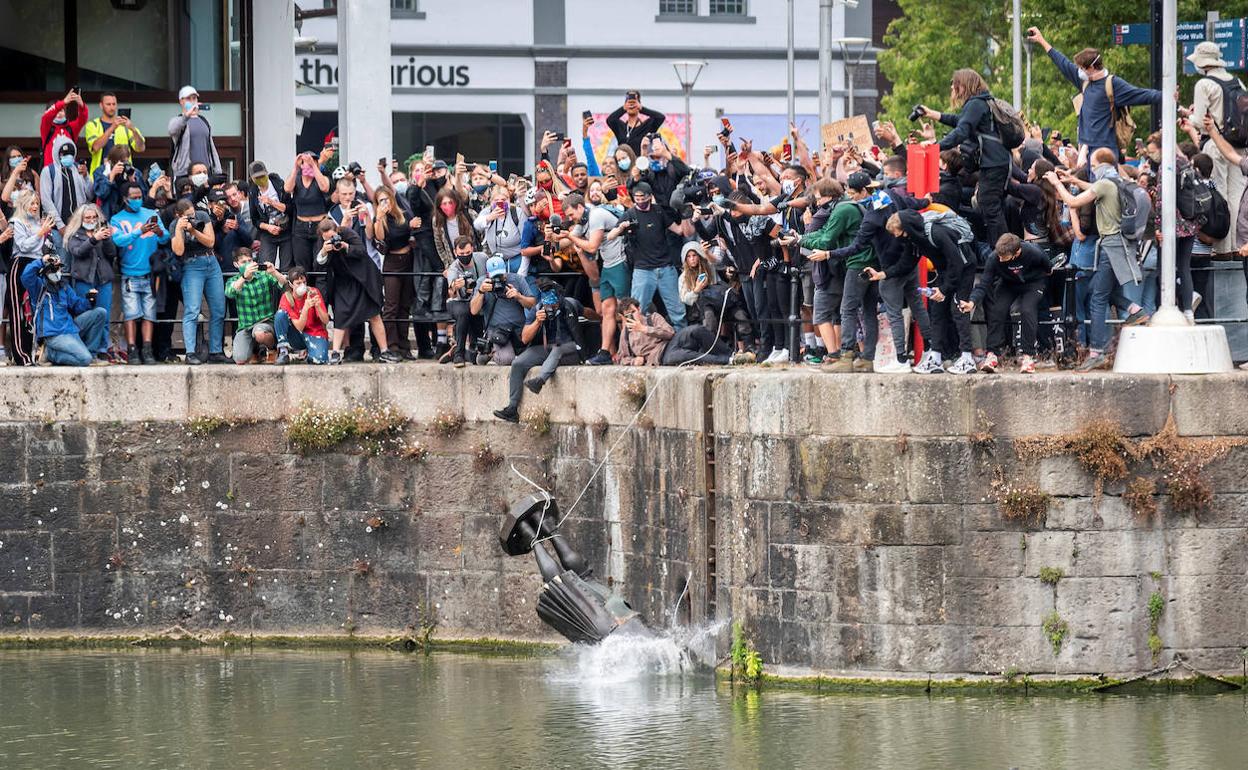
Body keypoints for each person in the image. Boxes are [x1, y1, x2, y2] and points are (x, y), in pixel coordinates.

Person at [1045, 149, 1149, 371]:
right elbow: (1093, 189)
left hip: (1110, 247)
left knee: (1098, 298)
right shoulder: (1115, 181)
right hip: (1119, 244)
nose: (1091, 169)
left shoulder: (1103, 184)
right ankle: (1133, 310)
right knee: (1096, 287)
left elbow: (1072, 200)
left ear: (1101, 164)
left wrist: (1056, 183)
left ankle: (1096, 352)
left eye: (1093, 165)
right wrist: (1073, 179)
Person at [1028, 28, 1160, 160]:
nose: (1079, 71)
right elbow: (1063, 63)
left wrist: (1168, 96)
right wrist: (1041, 41)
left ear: (1091, 68)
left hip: (1105, 151)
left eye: (1081, 68)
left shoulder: (1112, 84)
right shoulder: (1085, 82)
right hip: (1087, 152)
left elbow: (1141, 95)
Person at [873, 210, 978, 374]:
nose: (896, 237)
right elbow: (907, 263)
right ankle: (935, 357)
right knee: (937, 311)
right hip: (944, 271)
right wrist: (883, 274)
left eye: (898, 233)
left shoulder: (936, 233)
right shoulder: (914, 239)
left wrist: (944, 289)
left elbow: (957, 262)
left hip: (964, 268)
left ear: (907, 229)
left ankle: (967, 358)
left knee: (958, 309)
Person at [917, 69, 1011, 247]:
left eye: (954, 83)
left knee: (990, 208)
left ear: (963, 85)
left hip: (993, 163)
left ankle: (1003, 252)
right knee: (989, 207)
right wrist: (933, 114)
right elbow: (960, 120)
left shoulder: (976, 104)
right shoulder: (982, 102)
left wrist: (936, 147)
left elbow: (961, 130)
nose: (952, 87)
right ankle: (1002, 251)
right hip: (996, 161)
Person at [804, 175, 879, 373]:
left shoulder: (842, 209)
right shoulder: (850, 206)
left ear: (829, 196)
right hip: (872, 262)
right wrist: (801, 237)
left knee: (847, 310)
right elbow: (825, 233)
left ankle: (845, 357)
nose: (818, 203)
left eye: (819, 199)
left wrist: (800, 241)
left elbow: (826, 239)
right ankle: (867, 358)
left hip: (857, 263)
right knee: (869, 311)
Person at [959, 234, 1053, 374]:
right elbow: (984, 284)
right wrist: (972, 302)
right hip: (1008, 283)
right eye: (999, 256)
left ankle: (1028, 356)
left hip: (1033, 282)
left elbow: (1048, 268)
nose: (1001, 259)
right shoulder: (994, 257)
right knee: (997, 310)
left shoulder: (1033, 251)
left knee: (1027, 309)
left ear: (1017, 252)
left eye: (1005, 257)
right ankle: (992, 355)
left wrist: (1040, 276)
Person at [493, 280, 583, 423]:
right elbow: (524, 338)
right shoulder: (538, 309)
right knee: (518, 363)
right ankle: (512, 408)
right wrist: (538, 322)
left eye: (553, 305)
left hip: (569, 348)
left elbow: (588, 314)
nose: (550, 308)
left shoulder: (569, 304)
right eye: (548, 305)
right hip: (547, 347)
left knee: (557, 350)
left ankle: (540, 380)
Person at [1189, 41, 1247, 256]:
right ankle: (1237, 246)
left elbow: (1200, 121)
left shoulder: (1204, 84)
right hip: (1238, 144)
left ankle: (1221, 249)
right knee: (1237, 195)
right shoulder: (1237, 81)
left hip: (1215, 143)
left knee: (1218, 194)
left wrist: (1188, 115)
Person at [314, 218, 399, 364]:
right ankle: (335, 353)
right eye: (327, 238)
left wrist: (345, 246)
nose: (331, 240)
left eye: (332, 237)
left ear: (337, 231)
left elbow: (361, 251)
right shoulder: (321, 243)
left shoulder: (348, 233)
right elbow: (318, 264)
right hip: (343, 282)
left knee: (374, 314)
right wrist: (324, 251)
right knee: (340, 316)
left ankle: (384, 351)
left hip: (363, 280)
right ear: (322, 236)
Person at [610, 181, 689, 330]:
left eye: (643, 197)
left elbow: (679, 231)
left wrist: (685, 214)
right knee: (635, 311)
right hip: (643, 270)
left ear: (650, 196)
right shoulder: (630, 214)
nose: (640, 201)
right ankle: (636, 344)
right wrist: (621, 227)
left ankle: (683, 341)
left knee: (678, 311)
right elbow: (610, 237)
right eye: (637, 198)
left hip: (666, 268)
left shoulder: (659, 211)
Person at [561, 191, 624, 365]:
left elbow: (592, 246)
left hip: (619, 262)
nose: (571, 219)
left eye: (571, 215)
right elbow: (566, 242)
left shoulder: (595, 215)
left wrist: (571, 236)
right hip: (608, 267)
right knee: (606, 310)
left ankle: (627, 351)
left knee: (623, 309)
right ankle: (605, 352)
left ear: (580, 207)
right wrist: (558, 236)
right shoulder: (583, 219)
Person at [111, 184, 172, 364]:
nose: (137, 200)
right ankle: (132, 350)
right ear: (125, 199)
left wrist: (159, 231)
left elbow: (165, 237)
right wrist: (140, 231)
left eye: (139, 196)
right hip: (129, 274)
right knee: (130, 314)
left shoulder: (150, 214)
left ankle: (147, 349)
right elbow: (118, 240)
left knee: (149, 314)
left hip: (151, 275)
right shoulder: (117, 219)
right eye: (134, 197)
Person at [168, 197, 227, 364]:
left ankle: (216, 351)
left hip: (211, 262)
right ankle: (190, 352)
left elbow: (210, 242)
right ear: (179, 215)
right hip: (191, 265)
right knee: (192, 310)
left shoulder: (202, 215)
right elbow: (178, 251)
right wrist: (180, 229)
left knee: (218, 309)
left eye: (193, 214)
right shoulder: (174, 225)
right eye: (188, 216)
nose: (193, 217)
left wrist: (193, 230)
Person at [22, 254, 108, 366]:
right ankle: (50, 354)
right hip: (54, 335)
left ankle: (92, 354)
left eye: (59, 268)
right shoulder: (38, 287)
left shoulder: (64, 286)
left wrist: (89, 300)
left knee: (100, 312)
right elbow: (26, 276)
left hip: (70, 328)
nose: (58, 271)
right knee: (84, 359)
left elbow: (77, 306)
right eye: (54, 268)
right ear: (45, 270)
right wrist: (42, 261)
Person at [64, 203, 117, 362]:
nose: (91, 220)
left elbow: (112, 253)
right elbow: (78, 252)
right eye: (88, 217)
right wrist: (94, 239)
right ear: (81, 219)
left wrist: (106, 239)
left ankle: (101, 349)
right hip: (84, 280)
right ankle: (85, 349)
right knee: (86, 315)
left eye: (94, 217)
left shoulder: (101, 232)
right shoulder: (75, 235)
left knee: (104, 315)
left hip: (103, 279)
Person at [8, 190, 54, 365]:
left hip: (38, 265)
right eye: (32, 203)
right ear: (23, 204)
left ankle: (35, 352)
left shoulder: (39, 224)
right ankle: (21, 355)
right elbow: (23, 246)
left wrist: (46, 234)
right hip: (19, 265)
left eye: (37, 203)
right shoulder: (16, 222)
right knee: (18, 310)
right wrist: (41, 233)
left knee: (34, 309)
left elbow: (44, 247)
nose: (35, 207)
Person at [374, 185, 418, 359]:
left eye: (386, 199)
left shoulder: (403, 214)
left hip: (408, 259)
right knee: (391, 306)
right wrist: (378, 217)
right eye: (381, 201)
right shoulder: (382, 219)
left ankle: (404, 345)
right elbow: (380, 238)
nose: (385, 203)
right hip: (392, 261)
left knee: (405, 305)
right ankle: (392, 346)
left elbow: (408, 229)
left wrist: (410, 225)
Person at [468, 254, 537, 365]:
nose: (498, 279)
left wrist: (519, 296)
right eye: (495, 276)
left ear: (505, 271)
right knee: (507, 360)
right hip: (497, 331)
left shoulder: (517, 279)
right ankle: (491, 353)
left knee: (530, 358)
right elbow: (474, 311)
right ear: (488, 274)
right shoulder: (482, 282)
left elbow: (532, 304)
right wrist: (481, 292)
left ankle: (493, 353)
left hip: (518, 329)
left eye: (501, 275)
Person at [224, 247, 288, 364]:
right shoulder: (233, 280)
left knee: (259, 333)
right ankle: (256, 350)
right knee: (239, 359)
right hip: (246, 326)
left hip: (266, 322)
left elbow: (284, 283)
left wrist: (274, 272)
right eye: (243, 262)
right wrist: (244, 277)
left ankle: (272, 348)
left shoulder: (263, 275)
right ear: (236, 264)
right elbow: (229, 293)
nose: (248, 264)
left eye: (249, 261)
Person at [285, 152, 330, 275]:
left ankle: (320, 292)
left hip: (319, 226)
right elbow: (287, 188)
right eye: (306, 163)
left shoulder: (321, 178)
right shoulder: (297, 179)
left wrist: (315, 166)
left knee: (320, 262)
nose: (308, 165)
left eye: (312, 162)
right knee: (302, 264)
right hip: (301, 227)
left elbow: (325, 187)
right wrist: (295, 167)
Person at [445, 235, 487, 366]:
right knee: (464, 312)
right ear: (455, 252)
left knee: (477, 357)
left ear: (473, 249)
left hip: (477, 301)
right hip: (458, 302)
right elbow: (451, 292)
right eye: (461, 253)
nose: (465, 256)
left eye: (468, 253)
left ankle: (463, 352)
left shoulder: (482, 258)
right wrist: (455, 286)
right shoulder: (454, 268)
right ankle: (459, 354)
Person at [275, 267, 330, 365]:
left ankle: (309, 354)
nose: (302, 285)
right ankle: (283, 351)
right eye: (298, 283)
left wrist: (318, 306)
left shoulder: (313, 292)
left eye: (304, 282)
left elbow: (326, 321)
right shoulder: (287, 297)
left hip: (314, 333)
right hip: (297, 335)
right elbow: (300, 327)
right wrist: (306, 308)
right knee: (280, 314)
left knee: (319, 360)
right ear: (291, 285)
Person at [83, 92, 146, 176]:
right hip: (101, 176)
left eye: (114, 104)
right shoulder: (93, 125)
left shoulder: (125, 126)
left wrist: (133, 130)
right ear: (101, 105)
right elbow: (95, 147)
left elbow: (141, 148)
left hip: (124, 175)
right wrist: (112, 128)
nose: (112, 107)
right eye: (108, 104)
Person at [168, 85, 223, 178]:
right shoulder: (179, 120)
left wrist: (218, 170)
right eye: (188, 99)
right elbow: (172, 129)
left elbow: (211, 147)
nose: (192, 101)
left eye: (194, 98)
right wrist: (187, 115)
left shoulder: (204, 121)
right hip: (186, 173)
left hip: (205, 172)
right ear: (181, 101)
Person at [39, 138, 90, 233]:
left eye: (71, 153)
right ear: (57, 153)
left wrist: (86, 177)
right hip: (58, 229)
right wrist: (60, 226)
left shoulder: (78, 168)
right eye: (64, 154)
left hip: (80, 227)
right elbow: (46, 201)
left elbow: (90, 195)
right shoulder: (49, 171)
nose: (68, 156)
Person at [616, 295, 674, 366]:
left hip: (666, 348)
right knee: (675, 357)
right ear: (624, 317)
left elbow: (671, 333)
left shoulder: (653, 318)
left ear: (639, 309)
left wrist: (644, 329)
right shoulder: (626, 332)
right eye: (628, 315)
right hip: (658, 358)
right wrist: (633, 361)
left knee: (687, 333)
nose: (633, 316)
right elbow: (621, 358)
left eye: (633, 312)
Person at [92, 145, 146, 220]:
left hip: (129, 215)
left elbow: (143, 197)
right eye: (121, 162)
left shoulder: (133, 172)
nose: (123, 165)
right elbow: (102, 194)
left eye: (125, 161)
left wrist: (133, 181)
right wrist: (111, 177)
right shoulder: (101, 172)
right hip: (108, 215)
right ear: (111, 162)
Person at [39, 90, 88, 169]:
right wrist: (63, 102)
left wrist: (81, 105)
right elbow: (46, 117)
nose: (59, 114)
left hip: (69, 171)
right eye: (56, 112)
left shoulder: (70, 128)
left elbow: (82, 119)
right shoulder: (47, 128)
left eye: (61, 110)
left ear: (65, 112)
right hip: (51, 173)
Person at [606, 91, 665, 156]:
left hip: (640, 163)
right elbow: (610, 120)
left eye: (634, 102)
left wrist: (642, 109)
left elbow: (660, 117)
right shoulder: (620, 127)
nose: (631, 105)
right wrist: (623, 109)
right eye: (629, 102)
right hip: (622, 161)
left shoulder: (647, 126)